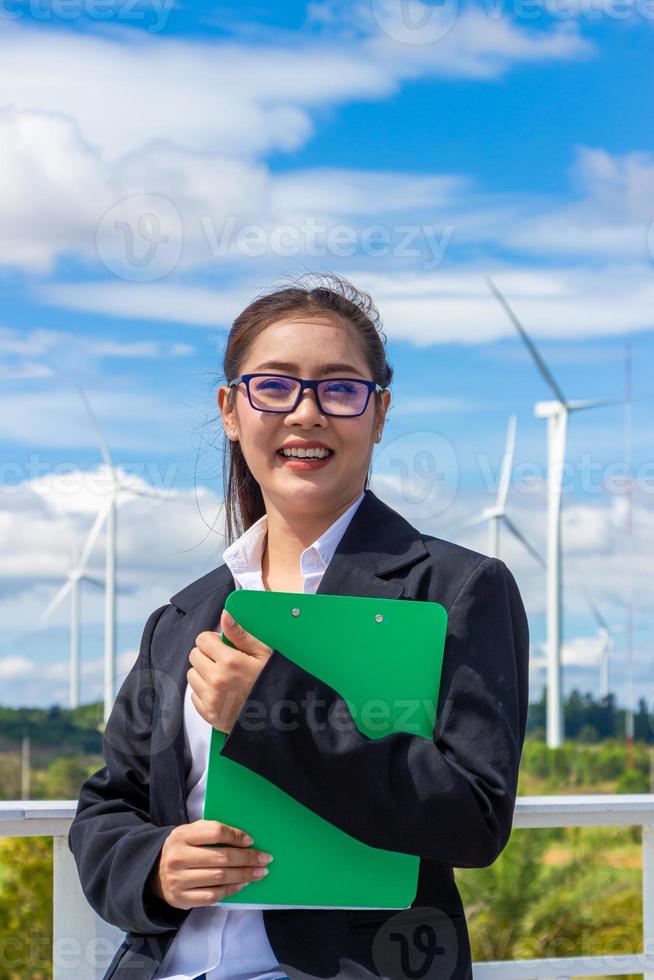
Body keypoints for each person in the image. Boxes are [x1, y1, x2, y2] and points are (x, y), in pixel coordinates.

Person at [68, 272, 530, 980]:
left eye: (340, 389)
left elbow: (472, 816)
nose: (306, 413)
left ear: (378, 415)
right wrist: (155, 867)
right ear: (231, 408)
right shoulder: (182, 617)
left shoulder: (454, 591)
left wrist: (272, 713)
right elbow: (109, 808)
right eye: (275, 386)